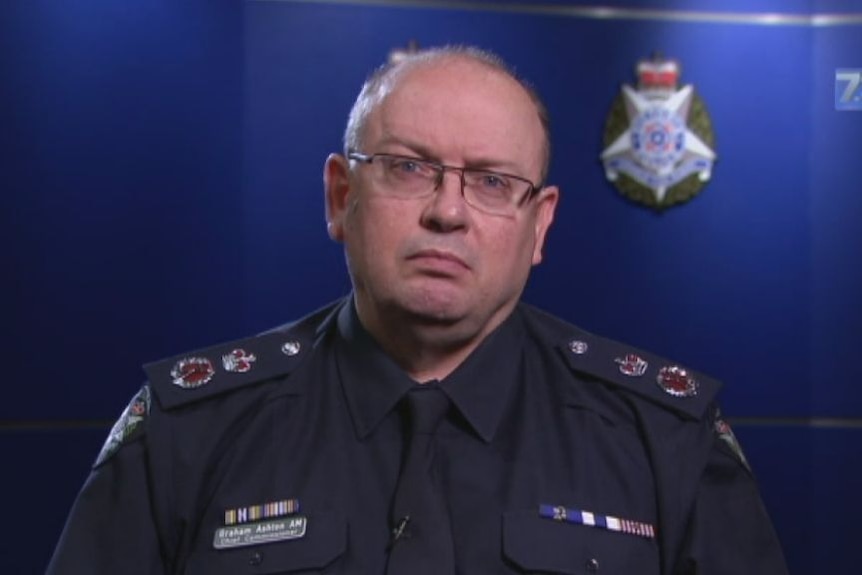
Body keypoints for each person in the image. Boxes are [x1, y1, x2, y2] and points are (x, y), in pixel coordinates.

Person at [47, 45, 788, 574]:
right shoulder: (189, 433)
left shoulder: (664, 439)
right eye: (408, 168)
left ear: (541, 226)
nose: (448, 212)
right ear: (342, 196)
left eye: (494, 182)